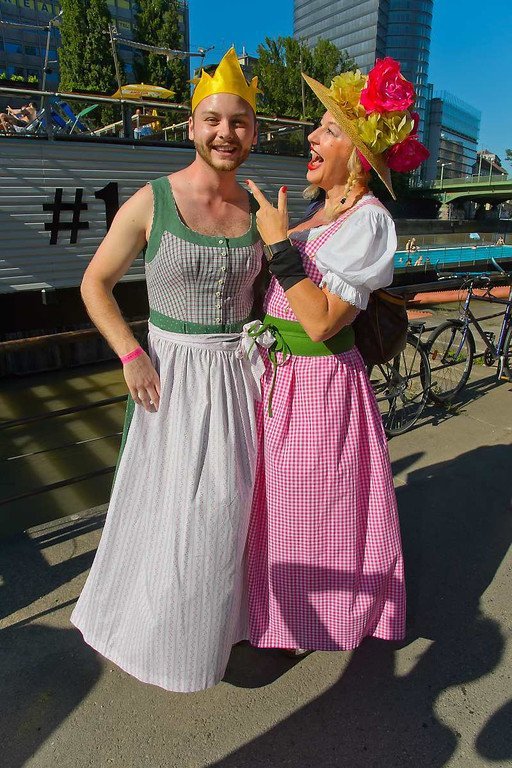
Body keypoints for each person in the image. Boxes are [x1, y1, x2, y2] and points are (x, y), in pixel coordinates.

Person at [71, 48, 265, 692]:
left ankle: (221, 625)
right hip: (171, 377)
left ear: (254, 133)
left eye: (238, 122)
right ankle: (160, 634)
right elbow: (95, 284)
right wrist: (131, 353)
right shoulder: (153, 201)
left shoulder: (258, 212)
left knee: (229, 510)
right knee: (171, 509)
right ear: (191, 127)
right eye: (213, 120)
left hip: (240, 377)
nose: (225, 133)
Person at [245, 58, 429, 655]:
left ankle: (313, 624)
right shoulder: (321, 214)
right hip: (283, 379)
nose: (312, 136)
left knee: (312, 510)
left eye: (328, 129)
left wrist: (279, 246)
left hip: (320, 387)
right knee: (279, 505)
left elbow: (322, 321)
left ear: (359, 155)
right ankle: (274, 617)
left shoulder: (369, 221)